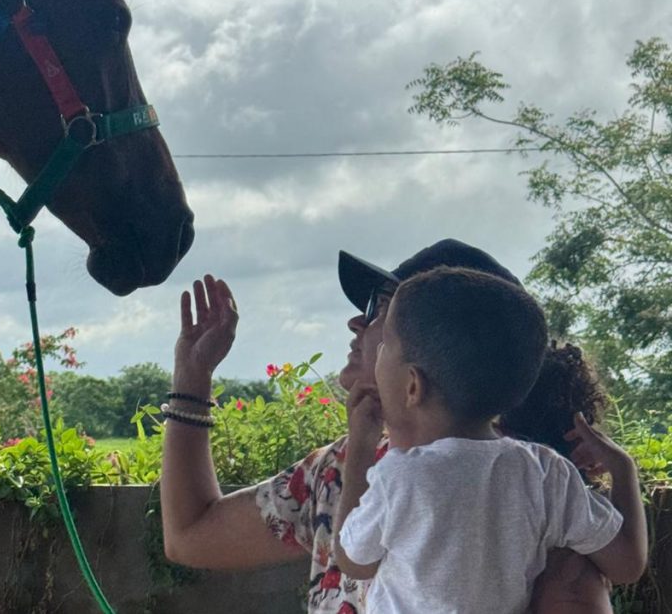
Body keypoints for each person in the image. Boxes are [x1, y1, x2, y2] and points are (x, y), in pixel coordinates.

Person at [160, 239, 638, 613]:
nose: (356, 323)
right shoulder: (339, 467)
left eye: (382, 312)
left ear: (422, 373)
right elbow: (192, 537)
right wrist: (192, 378)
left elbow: (353, 558)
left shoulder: (537, 518)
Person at [331, 266, 647, 612]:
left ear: (412, 385)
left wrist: (360, 448)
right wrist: (623, 470)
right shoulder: (546, 473)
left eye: (385, 347)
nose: (377, 354)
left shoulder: (400, 478)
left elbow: (353, 560)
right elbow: (626, 564)